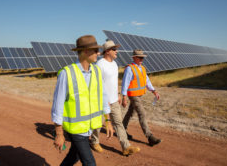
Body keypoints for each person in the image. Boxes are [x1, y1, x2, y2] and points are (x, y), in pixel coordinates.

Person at [51, 35, 114, 166]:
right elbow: (58, 104)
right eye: (95, 50)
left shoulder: (96, 71)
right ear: (86, 52)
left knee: (74, 156)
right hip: (76, 129)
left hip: (89, 127)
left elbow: (103, 96)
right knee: (90, 163)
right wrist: (59, 133)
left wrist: (108, 121)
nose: (98, 53)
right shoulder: (66, 73)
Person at [90, 40, 140, 156]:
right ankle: (94, 142)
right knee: (98, 123)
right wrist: (104, 100)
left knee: (118, 124)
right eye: (114, 49)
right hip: (101, 101)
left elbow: (114, 81)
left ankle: (126, 147)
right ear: (107, 51)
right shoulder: (100, 65)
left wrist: (118, 94)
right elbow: (97, 85)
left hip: (114, 101)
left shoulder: (114, 64)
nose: (116, 51)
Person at [121, 49, 161, 147]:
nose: (142, 59)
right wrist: (124, 97)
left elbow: (147, 81)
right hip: (133, 95)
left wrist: (154, 91)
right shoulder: (130, 69)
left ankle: (121, 129)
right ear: (134, 57)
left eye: (142, 57)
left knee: (131, 112)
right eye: (140, 57)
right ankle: (150, 137)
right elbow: (125, 83)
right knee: (142, 113)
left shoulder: (142, 68)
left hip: (139, 94)